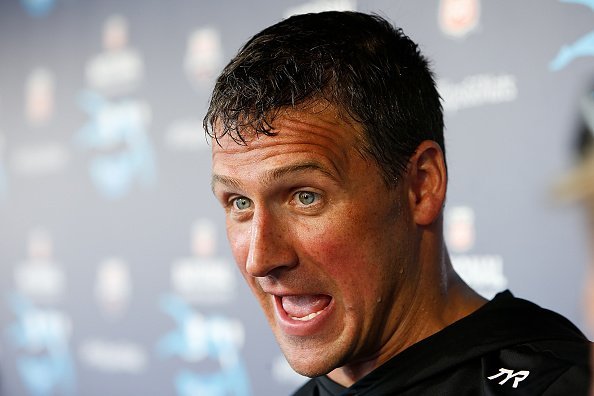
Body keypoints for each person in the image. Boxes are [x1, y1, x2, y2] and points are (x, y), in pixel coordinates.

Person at [204, 11, 591, 395]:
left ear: (422, 186)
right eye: (239, 203)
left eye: (306, 197)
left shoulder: (563, 384)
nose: (260, 258)